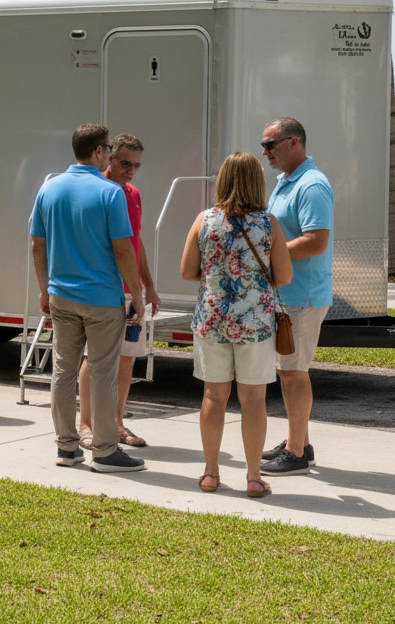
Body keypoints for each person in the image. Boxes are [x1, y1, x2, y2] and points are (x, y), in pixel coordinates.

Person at [30, 124, 146, 472]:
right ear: (98, 151)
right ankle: (106, 450)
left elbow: (37, 244)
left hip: (61, 296)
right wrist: (137, 294)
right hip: (101, 299)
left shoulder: (48, 189)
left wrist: (43, 288)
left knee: (63, 373)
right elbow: (124, 250)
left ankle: (67, 447)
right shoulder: (109, 192)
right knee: (102, 374)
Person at [181, 152, 293, 498]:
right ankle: (254, 478)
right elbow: (284, 276)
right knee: (253, 401)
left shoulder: (205, 220)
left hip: (213, 320)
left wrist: (218, 274)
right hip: (256, 324)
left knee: (213, 397)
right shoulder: (268, 223)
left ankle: (211, 473)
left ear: (224, 180)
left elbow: (186, 271)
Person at [259, 117, 333, 477]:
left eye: (270, 144)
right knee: (287, 370)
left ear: (293, 143)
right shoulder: (287, 182)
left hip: (301, 297)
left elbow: (316, 241)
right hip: (287, 293)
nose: (265, 152)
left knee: (293, 372)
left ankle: (297, 453)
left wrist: (270, 255)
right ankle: (298, 441)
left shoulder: (312, 185)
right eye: (264, 145)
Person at [76, 134, 161, 449]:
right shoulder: (98, 191)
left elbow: (134, 240)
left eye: (137, 165)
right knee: (94, 359)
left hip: (129, 293)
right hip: (101, 290)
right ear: (108, 157)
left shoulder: (133, 193)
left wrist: (148, 286)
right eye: (126, 163)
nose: (131, 171)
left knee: (126, 358)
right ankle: (85, 424)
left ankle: (116, 422)